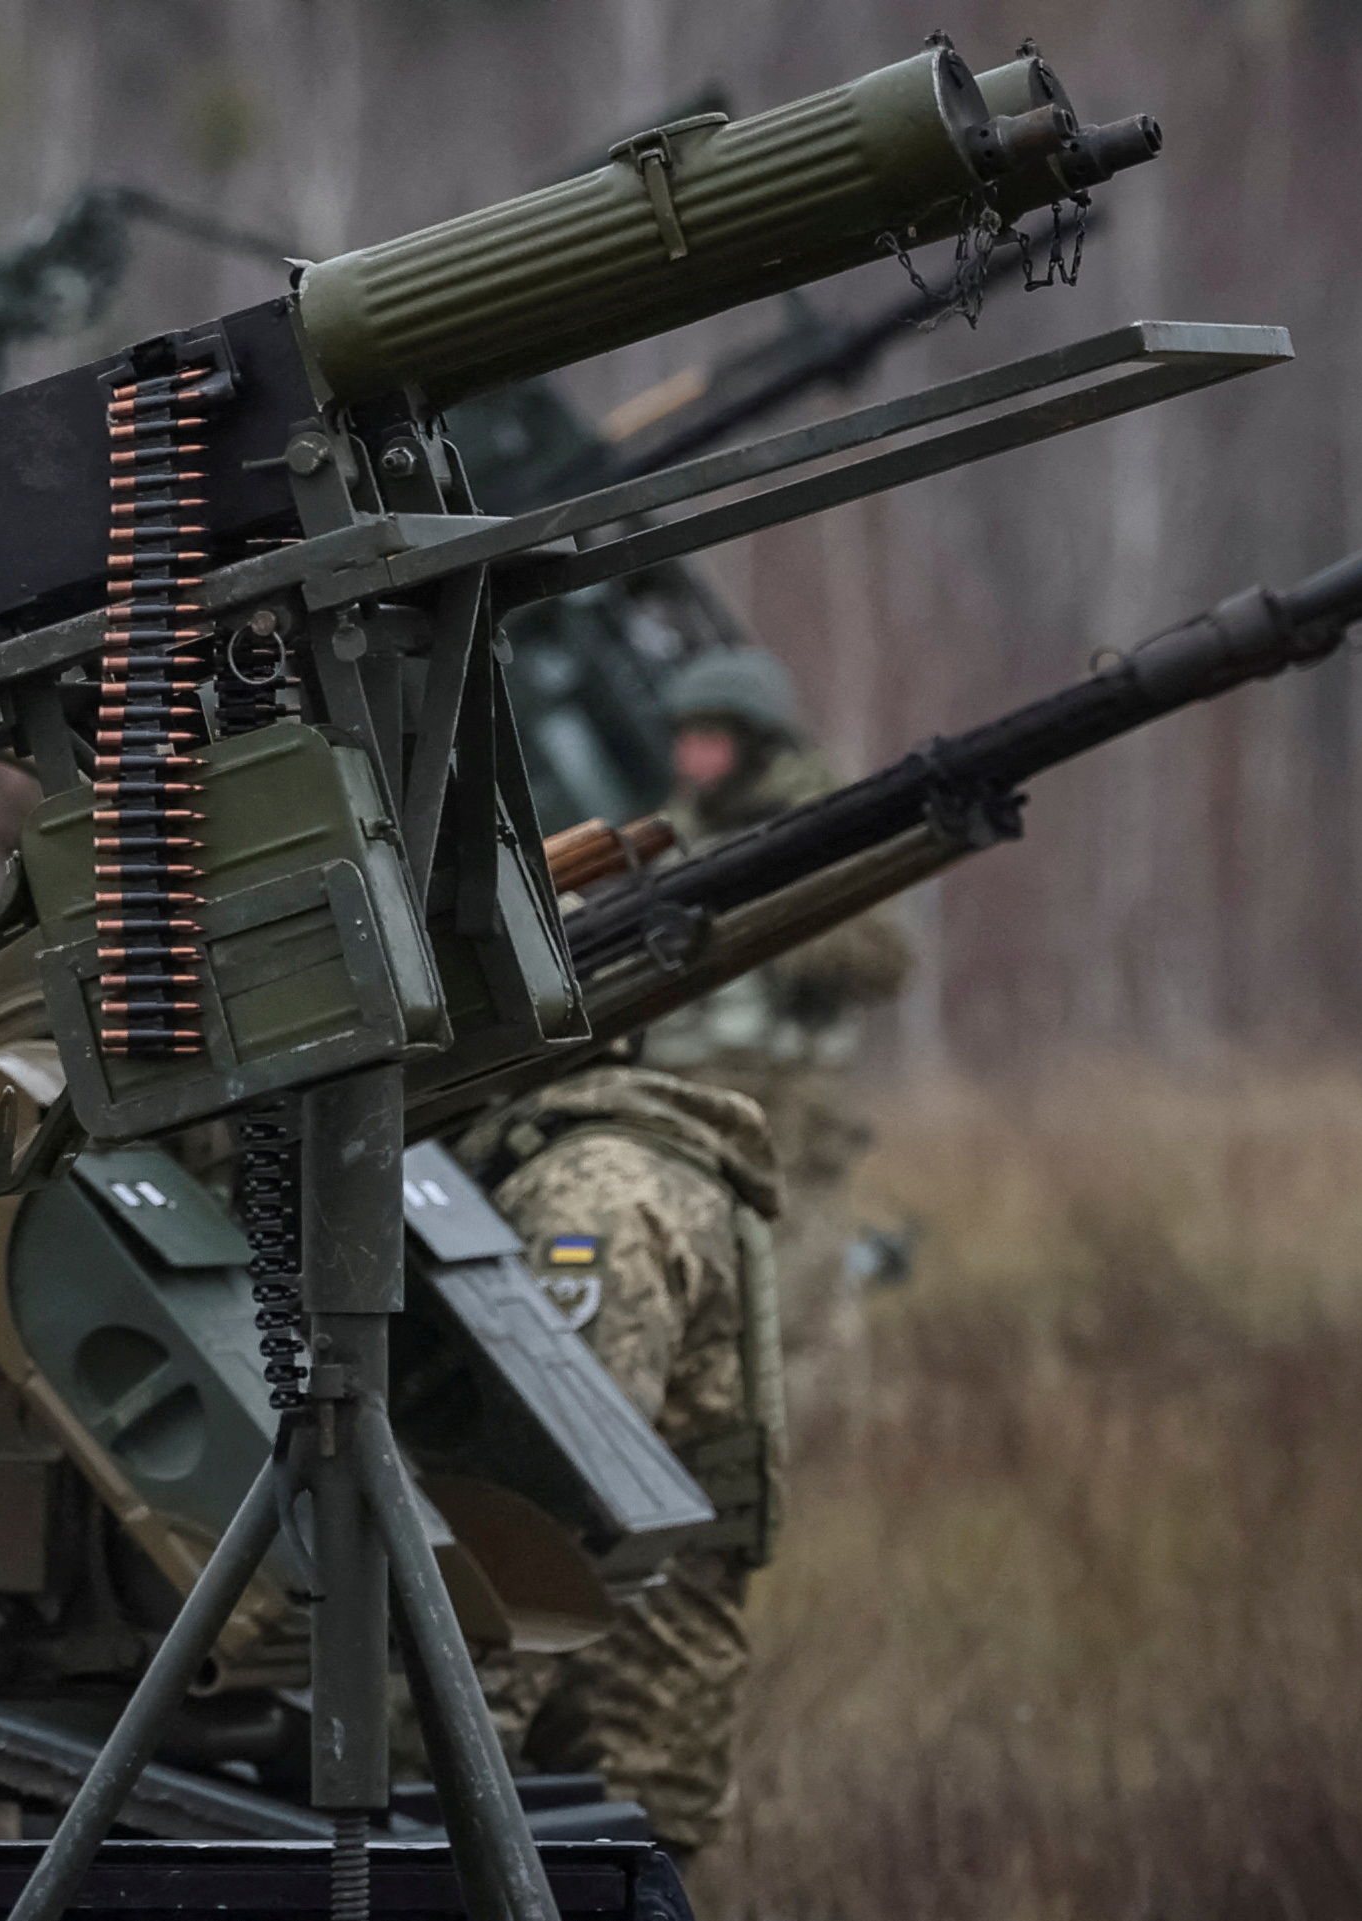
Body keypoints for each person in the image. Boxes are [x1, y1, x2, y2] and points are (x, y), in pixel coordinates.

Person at [456, 1063, 784, 1864]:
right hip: (608, 1721)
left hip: (595, 1730)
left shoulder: (594, 1195)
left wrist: (462, 1740)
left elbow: (565, 1491)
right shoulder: (612, 1163)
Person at [641, 647, 909, 1329]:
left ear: (754, 744)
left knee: (791, 1306)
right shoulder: (668, 839)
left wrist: (794, 931)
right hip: (682, 1097)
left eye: (710, 740)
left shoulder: (820, 834)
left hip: (789, 1102)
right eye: (685, 740)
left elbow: (890, 958)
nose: (692, 758)